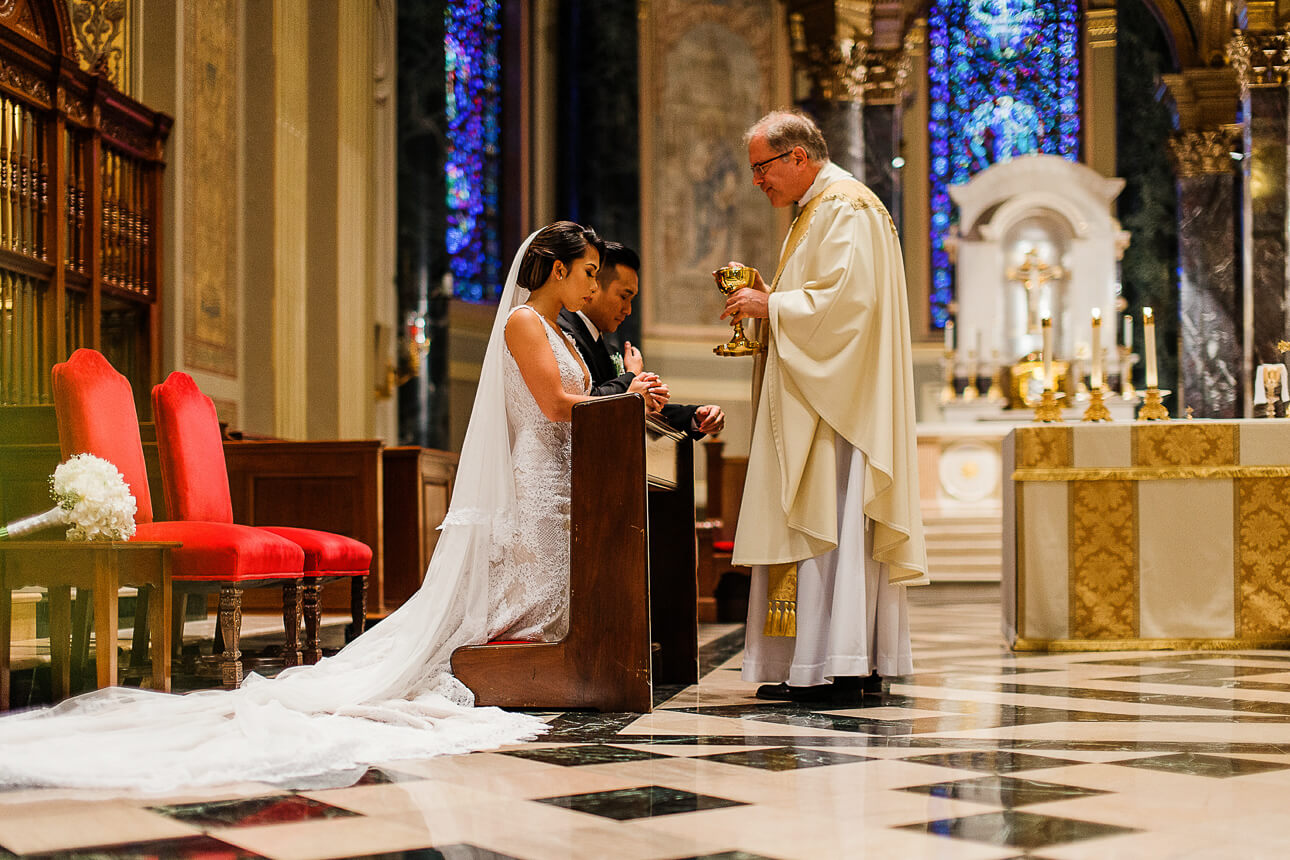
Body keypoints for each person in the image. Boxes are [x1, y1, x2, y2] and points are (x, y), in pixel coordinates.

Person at [0, 222, 658, 793]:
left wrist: (631, 401)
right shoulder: (521, 321)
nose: (595, 288)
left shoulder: (563, 330)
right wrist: (627, 404)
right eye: (590, 274)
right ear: (560, 268)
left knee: (552, 597)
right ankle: (511, 664)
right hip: (538, 475)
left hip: (566, 476)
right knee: (522, 598)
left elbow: (583, 401)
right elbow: (551, 405)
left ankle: (555, 661)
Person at [718, 110, 928, 704]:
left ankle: (835, 664)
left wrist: (773, 308)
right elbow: (827, 294)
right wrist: (774, 298)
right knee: (829, 526)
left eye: (762, 168)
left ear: (797, 157)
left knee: (829, 521)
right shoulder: (821, 209)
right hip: (829, 398)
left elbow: (847, 306)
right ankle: (834, 660)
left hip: (837, 410)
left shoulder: (844, 206)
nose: (757, 181)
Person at [559, 241, 725, 439]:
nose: (628, 310)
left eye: (632, 300)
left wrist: (694, 416)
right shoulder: (563, 332)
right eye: (623, 296)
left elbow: (628, 408)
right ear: (594, 286)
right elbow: (584, 405)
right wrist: (631, 376)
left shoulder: (607, 346)